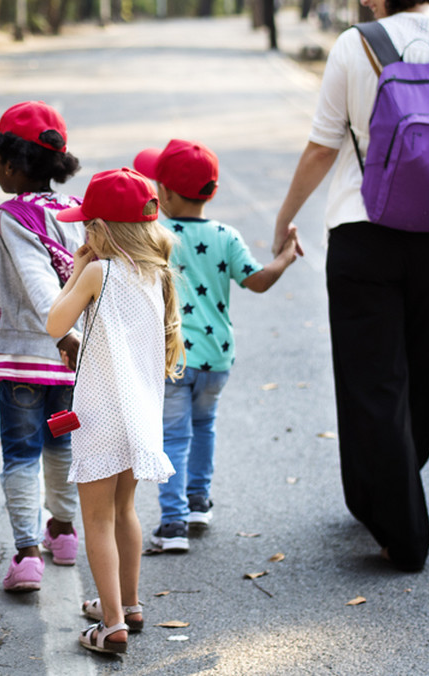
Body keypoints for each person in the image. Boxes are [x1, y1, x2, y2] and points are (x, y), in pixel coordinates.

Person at [274, 0, 429, 572]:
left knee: (374, 381)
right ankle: (393, 487)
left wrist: (284, 216)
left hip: (363, 229)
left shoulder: (355, 44)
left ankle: (403, 527)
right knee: (423, 371)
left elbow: (322, 146)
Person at [133, 140, 299, 552]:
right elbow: (257, 280)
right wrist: (287, 257)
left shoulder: (156, 234)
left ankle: (172, 525)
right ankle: (197, 501)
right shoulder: (226, 235)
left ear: (165, 193)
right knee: (204, 425)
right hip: (217, 357)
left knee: (171, 435)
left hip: (173, 356)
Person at [47, 168, 183, 655]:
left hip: (101, 415)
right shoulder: (157, 273)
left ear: (102, 230)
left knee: (97, 520)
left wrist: (75, 270)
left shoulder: (98, 272)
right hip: (141, 413)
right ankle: (129, 602)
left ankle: (111, 625)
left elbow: (54, 323)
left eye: (87, 227)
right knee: (126, 510)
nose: (83, 235)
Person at [0, 101, 85, 592]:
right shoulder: (74, 210)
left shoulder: (10, 215)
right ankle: (63, 533)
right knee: (62, 445)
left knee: (19, 453)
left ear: (12, 165)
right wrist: (74, 338)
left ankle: (26, 554)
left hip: (27, 360)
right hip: (72, 362)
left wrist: (58, 332)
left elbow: (38, 283)